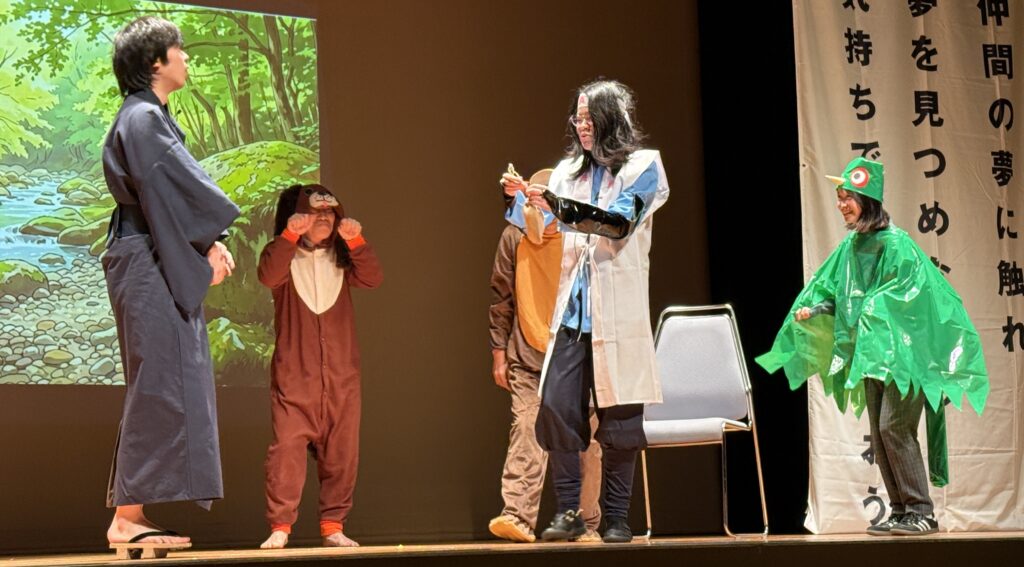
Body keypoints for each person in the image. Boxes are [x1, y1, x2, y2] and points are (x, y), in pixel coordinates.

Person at [756, 157, 989, 536]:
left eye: (847, 197)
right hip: (872, 354)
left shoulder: (897, 244)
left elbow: (908, 296)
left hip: (904, 358)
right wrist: (817, 308)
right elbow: (843, 292)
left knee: (894, 427)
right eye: (839, 198)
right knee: (881, 435)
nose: (841, 205)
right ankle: (900, 510)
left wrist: (868, 307)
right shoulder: (852, 246)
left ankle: (922, 511)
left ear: (867, 199)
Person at [502, 79, 670, 543]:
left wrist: (557, 205)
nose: (581, 127)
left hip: (618, 312)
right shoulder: (565, 172)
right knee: (557, 409)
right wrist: (519, 198)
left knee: (619, 419)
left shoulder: (643, 167)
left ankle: (616, 517)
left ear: (611, 119)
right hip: (574, 314)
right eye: (577, 119)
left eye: (589, 119)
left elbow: (618, 223)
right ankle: (570, 512)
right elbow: (535, 226)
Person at [102, 16, 240, 551]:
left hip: (149, 251)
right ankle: (127, 517)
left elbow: (174, 190)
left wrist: (207, 241)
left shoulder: (147, 117)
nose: (186, 57)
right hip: (147, 255)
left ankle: (130, 514)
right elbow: (169, 191)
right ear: (155, 61)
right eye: (178, 49)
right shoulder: (141, 118)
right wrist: (204, 248)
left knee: (158, 377)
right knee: (157, 379)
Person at [257, 184, 383, 549]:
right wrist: (289, 236)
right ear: (298, 216)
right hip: (296, 377)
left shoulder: (341, 260)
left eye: (330, 212)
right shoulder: (285, 256)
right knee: (286, 451)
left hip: (342, 376)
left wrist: (356, 241)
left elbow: (372, 277)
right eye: (316, 212)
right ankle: (281, 526)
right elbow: (268, 275)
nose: (324, 218)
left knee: (342, 452)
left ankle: (333, 525)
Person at [487, 209, 602, 543]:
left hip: (576, 353)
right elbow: (501, 295)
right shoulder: (514, 235)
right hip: (528, 354)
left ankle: (585, 521)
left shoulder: (581, 234)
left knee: (586, 440)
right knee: (526, 428)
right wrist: (498, 351)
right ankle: (517, 516)